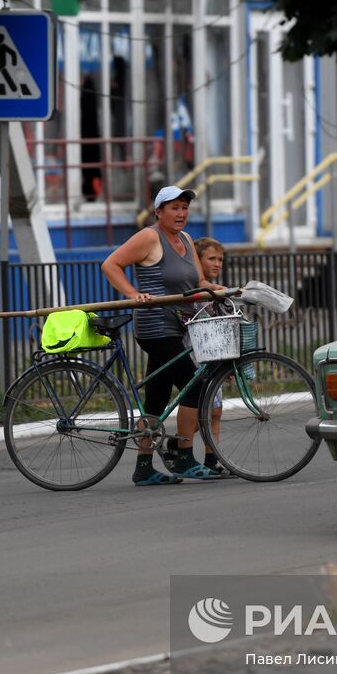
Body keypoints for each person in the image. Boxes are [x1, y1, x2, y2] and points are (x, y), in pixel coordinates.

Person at [101, 187, 226, 485]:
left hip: (177, 325)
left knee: (156, 401)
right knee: (196, 388)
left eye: (184, 207)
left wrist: (216, 289)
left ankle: (143, 468)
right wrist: (132, 293)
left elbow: (198, 280)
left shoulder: (186, 239)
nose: (181, 213)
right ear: (159, 212)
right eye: (174, 208)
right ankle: (184, 458)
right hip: (156, 327)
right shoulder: (149, 237)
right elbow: (110, 264)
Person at [193, 236, 228, 477]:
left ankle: (211, 458)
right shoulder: (196, 289)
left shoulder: (214, 290)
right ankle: (178, 443)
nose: (217, 264)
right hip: (198, 355)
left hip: (214, 356)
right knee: (201, 410)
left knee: (215, 410)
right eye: (211, 259)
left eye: (220, 260)